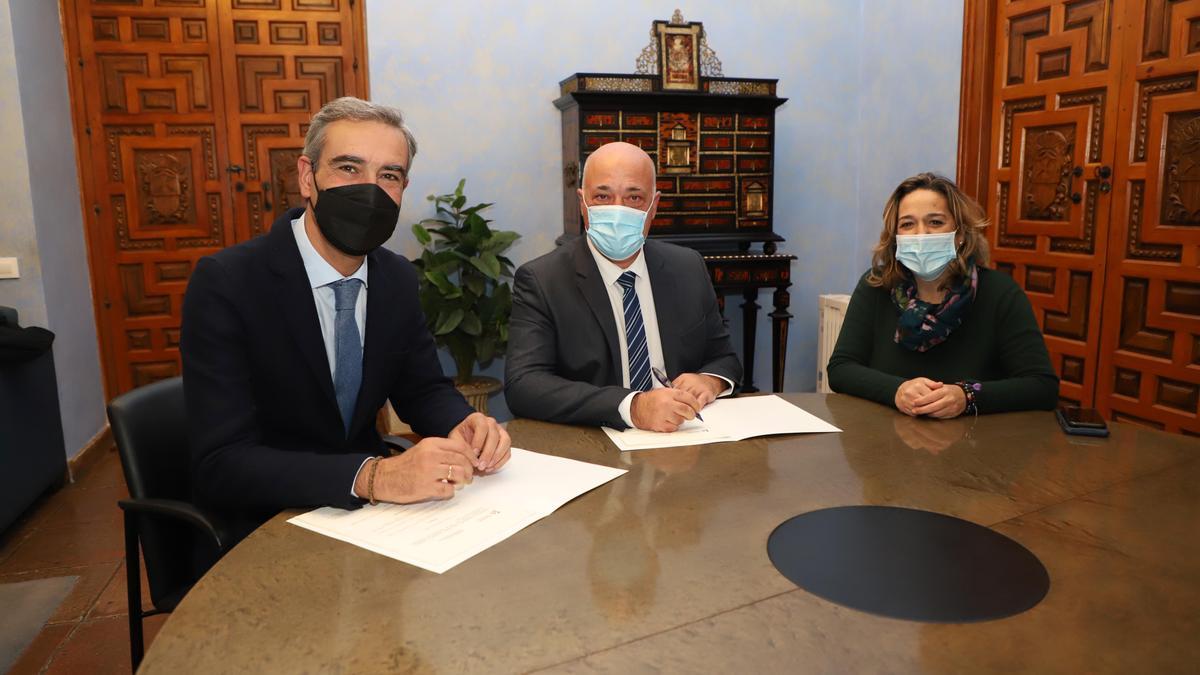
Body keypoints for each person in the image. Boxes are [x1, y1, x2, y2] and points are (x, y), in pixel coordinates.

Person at [181, 97, 510, 541]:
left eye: (388, 175)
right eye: (349, 169)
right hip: (268, 521)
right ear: (307, 177)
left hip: (372, 521)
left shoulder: (395, 277)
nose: (369, 190)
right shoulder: (228, 283)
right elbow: (221, 462)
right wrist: (373, 477)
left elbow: (421, 388)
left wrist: (461, 423)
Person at [505, 141, 742, 432]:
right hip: (595, 444)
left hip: (683, 437)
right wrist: (633, 406)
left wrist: (710, 380)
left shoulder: (688, 267)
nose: (618, 211)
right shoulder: (542, 279)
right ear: (583, 203)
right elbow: (524, 385)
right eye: (603, 196)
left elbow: (724, 357)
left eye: (634, 198)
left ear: (654, 206)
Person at [827, 172, 1058, 417]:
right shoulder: (876, 286)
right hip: (884, 442)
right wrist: (896, 390)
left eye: (935, 222)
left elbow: (1042, 387)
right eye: (907, 224)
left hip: (974, 448)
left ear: (959, 235)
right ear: (895, 238)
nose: (921, 235)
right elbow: (841, 369)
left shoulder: (1000, 293)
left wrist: (967, 396)